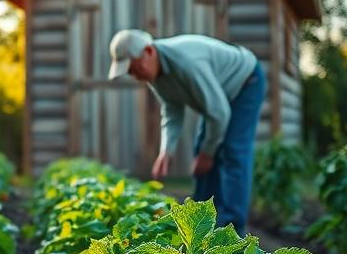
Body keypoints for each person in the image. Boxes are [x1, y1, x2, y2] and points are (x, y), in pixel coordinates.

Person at [108, 29, 266, 234]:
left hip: (246, 81)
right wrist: (167, 150)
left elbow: (218, 114)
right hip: (217, 97)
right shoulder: (156, 76)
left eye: (133, 68)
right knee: (201, 152)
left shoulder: (187, 63)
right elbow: (172, 110)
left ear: (148, 52)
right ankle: (199, 225)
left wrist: (208, 154)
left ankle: (232, 231)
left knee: (232, 151)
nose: (135, 76)